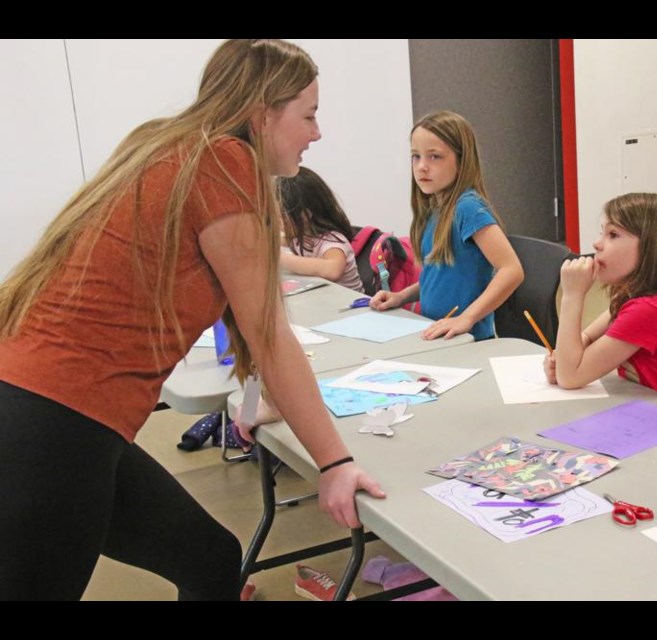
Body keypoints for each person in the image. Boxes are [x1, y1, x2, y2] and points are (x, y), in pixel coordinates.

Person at [0, 39, 383, 601]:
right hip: (52, 423)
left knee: (210, 558)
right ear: (263, 113)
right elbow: (270, 335)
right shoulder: (224, 165)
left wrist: (254, 409)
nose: (316, 134)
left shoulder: (171, 148)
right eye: (309, 115)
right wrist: (336, 463)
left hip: (50, 410)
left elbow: (237, 315)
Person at [545, 193, 657, 413]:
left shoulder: (651, 311)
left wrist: (572, 295)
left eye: (613, 234)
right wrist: (564, 358)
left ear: (655, 250)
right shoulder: (640, 298)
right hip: (656, 418)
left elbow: (570, 377)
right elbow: (586, 340)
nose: (597, 244)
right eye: (602, 232)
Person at [368, 110, 522, 340]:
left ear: (462, 161)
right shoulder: (434, 211)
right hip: (439, 336)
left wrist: (467, 318)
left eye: (434, 156)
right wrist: (401, 296)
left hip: (470, 341)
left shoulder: (467, 208)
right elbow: (438, 277)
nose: (421, 167)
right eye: (415, 156)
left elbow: (512, 270)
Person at [278, 166, 364, 292]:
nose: (277, 222)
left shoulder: (331, 241)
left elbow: (332, 270)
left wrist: (282, 260)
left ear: (305, 215)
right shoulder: (298, 236)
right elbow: (272, 241)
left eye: (282, 216)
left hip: (348, 305)